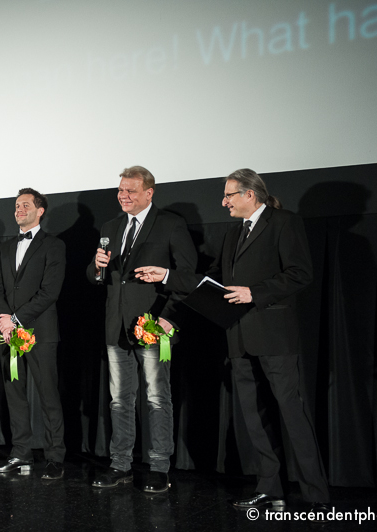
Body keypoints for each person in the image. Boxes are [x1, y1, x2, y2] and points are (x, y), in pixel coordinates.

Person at [135, 169, 330, 512]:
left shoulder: (284, 222)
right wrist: (167, 275)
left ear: (249, 194)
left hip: (275, 336)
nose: (224, 202)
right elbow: (213, 280)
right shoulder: (233, 232)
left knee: (293, 415)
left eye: (229, 195)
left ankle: (317, 497)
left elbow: (300, 273)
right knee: (255, 418)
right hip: (238, 337)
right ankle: (271, 489)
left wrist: (255, 292)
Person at [85, 166, 197, 493]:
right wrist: (96, 268)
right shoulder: (110, 227)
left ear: (149, 193)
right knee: (119, 400)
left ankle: (159, 467)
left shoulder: (170, 224)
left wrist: (169, 317)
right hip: (116, 327)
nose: (124, 196)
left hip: (153, 325)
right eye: (121, 190)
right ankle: (120, 464)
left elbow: (187, 277)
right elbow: (97, 277)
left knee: (157, 399)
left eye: (131, 191)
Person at [0, 188, 66, 480]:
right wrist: (5, 321)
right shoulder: (5, 248)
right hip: (8, 333)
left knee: (48, 395)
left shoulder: (54, 245)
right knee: (14, 395)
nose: (19, 210)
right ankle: (21, 452)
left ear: (40, 211)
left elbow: (50, 291)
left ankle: (55, 457)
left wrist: (16, 319)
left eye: (25, 205)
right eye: (16, 206)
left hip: (40, 332)